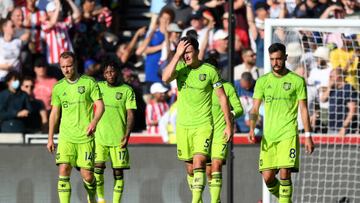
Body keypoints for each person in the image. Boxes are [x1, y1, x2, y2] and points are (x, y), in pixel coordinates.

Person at [162, 36, 233, 203]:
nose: (186, 55)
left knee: (200, 160)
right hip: (183, 126)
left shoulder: (209, 71)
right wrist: (176, 55)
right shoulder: (179, 68)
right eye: (183, 52)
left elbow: (222, 98)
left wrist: (228, 125)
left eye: (188, 52)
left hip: (203, 125)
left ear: (197, 51)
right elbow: (165, 78)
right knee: (190, 169)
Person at [248, 43, 315, 203]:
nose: (275, 63)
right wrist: (251, 128)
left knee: (285, 172)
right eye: (272, 59)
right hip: (269, 136)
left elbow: (304, 109)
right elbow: (255, 108)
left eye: (278, 59)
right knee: (268, 177)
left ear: (285, 58)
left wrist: (308, 135)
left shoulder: (297, 81)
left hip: (288, 134)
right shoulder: (263, 81)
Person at [47, 51, 104, 203]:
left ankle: (92, 196)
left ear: (76, 65)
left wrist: (94, 122)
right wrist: (50, 138)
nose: (66, 70)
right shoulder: (58, 87)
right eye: (63, 67)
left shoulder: (89, 82)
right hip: (66, 137)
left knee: (88, 176)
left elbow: (100, 106)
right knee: (64, 169)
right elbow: (54, 114)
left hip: (85, 137)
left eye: (69, 66)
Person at [94, 62, 137, 203]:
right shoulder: (98, 88)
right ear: (103, 75)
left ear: (118, 72)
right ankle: (100, 199)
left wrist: (127, 135)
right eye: (106, 73)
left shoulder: (127, 90)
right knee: (97, 169)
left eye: (112, 72)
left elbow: (130, 114)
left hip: (119, 138)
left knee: (118, 172)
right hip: (100, 137)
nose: (109, 75)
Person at [206, 71, 243, 203]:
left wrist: (229, 114)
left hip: (221, 132)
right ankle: (216, 200)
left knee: (217, 165)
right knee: (209, 172)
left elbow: (239, 109)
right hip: (204, 133)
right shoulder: (202, 88)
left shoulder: (227, 87)